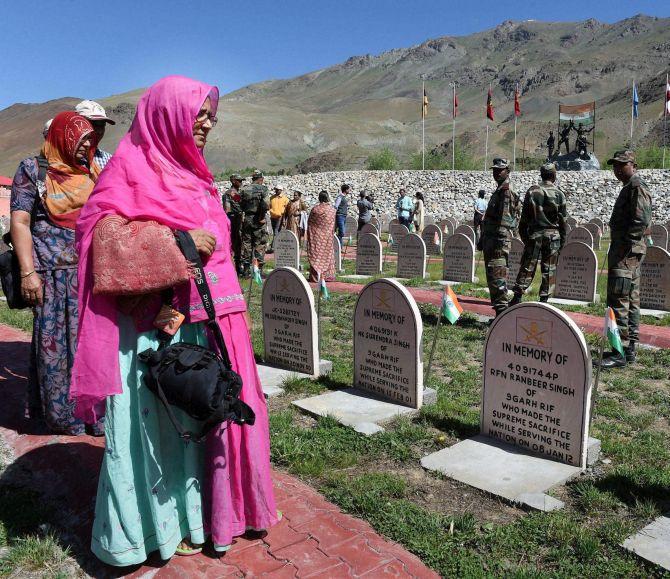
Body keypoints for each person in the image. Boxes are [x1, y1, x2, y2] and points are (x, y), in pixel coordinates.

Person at [70, 76, 279, 566]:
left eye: (211, 117)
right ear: (167, 117)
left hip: (211, 323)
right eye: (198, 115)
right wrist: (179, 244)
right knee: (161, 435)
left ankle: (207, 519)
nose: (206, 124)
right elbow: (106, 243)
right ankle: (151, 532)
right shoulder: (128, 170)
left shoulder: (195, 174)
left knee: (204, 424)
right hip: (155, 329)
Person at [10, 112, 104, 436]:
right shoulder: (33, 170)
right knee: (56, 351)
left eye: (90, 141)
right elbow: (20, 222)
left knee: (91, 349)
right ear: (63, 138)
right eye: (81, 141)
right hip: (51, 278)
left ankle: (96, 416)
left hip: (90, 278)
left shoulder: (92, 171)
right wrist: (27, 273)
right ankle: (63, 417)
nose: (86, 147)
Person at [599, 150, 652, 369]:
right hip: (629, 252)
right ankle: (629, 349)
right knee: (630, 298)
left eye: (621, 165)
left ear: (633, 164)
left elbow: (641, 220)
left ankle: (618, 351)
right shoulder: (630, 187)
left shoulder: (636, 187)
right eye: (614, 165)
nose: (617, 169)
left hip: (626, 252)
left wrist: (625, 244)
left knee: (619, 298)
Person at [510, 162, 567, 305]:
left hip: (534, 235)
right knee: (549, 268)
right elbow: (563, 221)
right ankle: (544, 299)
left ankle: (517, 296)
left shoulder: (532, 191)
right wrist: (562, 242)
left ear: (541, 175)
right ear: (554, 175)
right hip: (553, 236)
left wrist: (525, 238)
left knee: (527, 265)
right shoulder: (559, 194)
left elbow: (524, 219)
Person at [481, 158, 520, 317]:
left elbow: (504, 221)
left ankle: (502, 315)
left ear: (507, 171)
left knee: (498, 277)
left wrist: (496, 242)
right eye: (494, 170)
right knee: (493, 277)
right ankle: (499, 313)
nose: (496, 172)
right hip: (491, 240)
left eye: (500, 169)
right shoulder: (499, 190)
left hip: (499, 241)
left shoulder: (506, 191)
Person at [239, 170, 270, 277]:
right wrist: (261, 217)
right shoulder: (263, 189)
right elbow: (266, 204)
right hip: (258, 219)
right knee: (260, 243)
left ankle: (246, 270)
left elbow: (240, 204)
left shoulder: (244, 189)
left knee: (247, 243)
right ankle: (258, 270)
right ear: (261, 179)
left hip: (247, 218)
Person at [75, 100, 116, 169]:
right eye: (94, 124)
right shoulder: (60, 159)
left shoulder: (109, 161)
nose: (99, 131)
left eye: (102, 126)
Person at [306, 190, 336, 282]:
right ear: (327, 198)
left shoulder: (315, 209)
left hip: (316, 236)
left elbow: (310, 223)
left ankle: (315, 276)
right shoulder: (332, 210)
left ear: (319, 198)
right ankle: (327, 276)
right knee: (327, 254)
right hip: (327, 237)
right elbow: (332, 224)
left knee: (316, 253)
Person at [223, 173, 244, 272]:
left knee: (239, 243)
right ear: (233, 181)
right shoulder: (229, 193)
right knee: (234, 243)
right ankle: (235, 266)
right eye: (239, 181)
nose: (241, 183)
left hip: (239, 219)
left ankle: (239, 265)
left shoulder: (240, 192)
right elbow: (227, 210)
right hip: (233, 220)